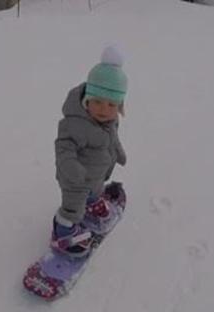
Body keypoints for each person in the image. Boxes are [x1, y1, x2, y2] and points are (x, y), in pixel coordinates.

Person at [51, 45, 128, 258]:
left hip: (95, 173)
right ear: (87, 100)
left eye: (112, 104)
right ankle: (63, 233)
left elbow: (112, 139)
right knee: (72, 208)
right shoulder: (76, 124)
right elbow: (63, 147)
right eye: (98, 102)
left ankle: (92, 202)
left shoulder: (110, 121)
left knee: (95, 189)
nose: (104, 109)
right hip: (74, 179)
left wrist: (119, 152)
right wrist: (70, 167)